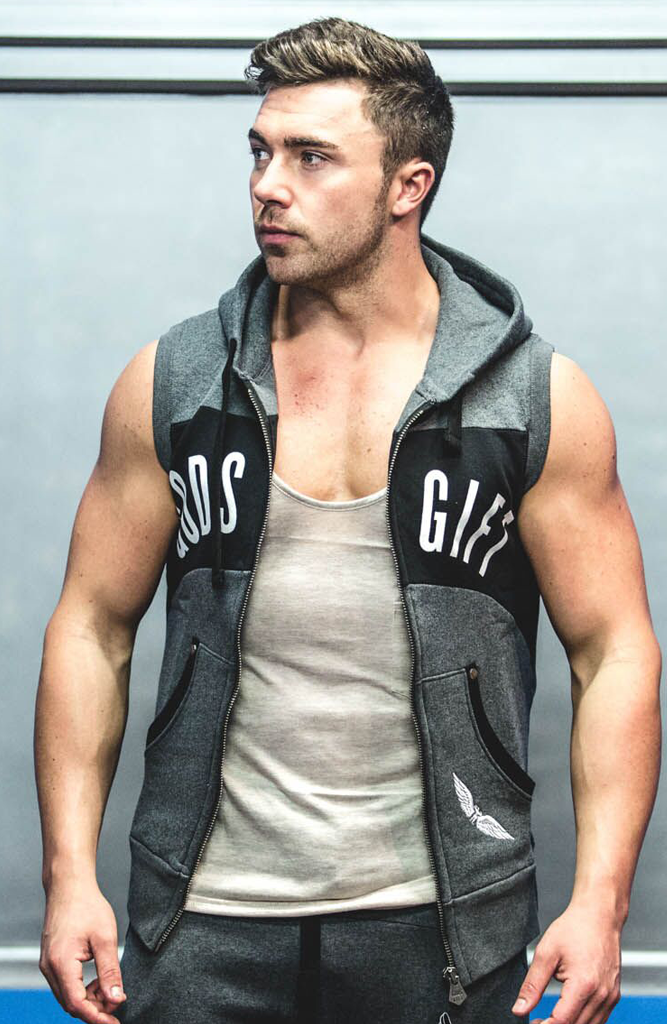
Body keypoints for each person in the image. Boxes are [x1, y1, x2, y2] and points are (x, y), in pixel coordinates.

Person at [34, 15, 661, 1024]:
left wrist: (601, 900)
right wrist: (69, 875)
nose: (267, 185)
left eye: (311, 157)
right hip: (202, 921)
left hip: (445, 927)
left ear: (407, 186)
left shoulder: (533, 399)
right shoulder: (176, 381)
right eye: (260, 151)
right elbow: (90, 626)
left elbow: (614, 650)